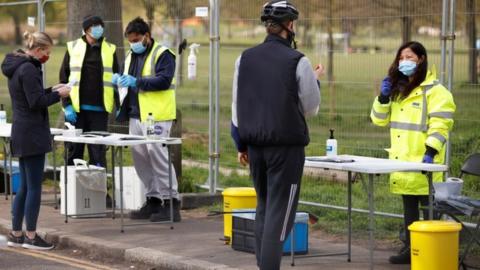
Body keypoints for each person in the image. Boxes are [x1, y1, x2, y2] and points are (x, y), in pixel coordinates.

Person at [231, 1, 322, 269]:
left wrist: (241, 144)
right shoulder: (299, 60)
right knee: (280, 216)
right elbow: (310, 108)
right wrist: (314, 81)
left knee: (264, 207)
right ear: (290, 26)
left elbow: (237, 107)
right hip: (286, 149)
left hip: (254, 146)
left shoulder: (244, 58)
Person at [370, 41, 456, 264]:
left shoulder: (436, 92)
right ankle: (411, 250)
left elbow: (440, 125)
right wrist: (383, 98)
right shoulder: (397, 90)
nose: (404, 62)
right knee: (409, 210)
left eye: (409, 57)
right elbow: (379, 121)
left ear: (421, 59)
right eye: (401, 58)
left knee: (429, 211)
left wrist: (430, 151)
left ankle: (430, 253)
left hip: (425, 164)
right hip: (402, 163)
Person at [1, 31, 71, 250]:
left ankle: (16, 232)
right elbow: (35, 102)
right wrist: (60, 95)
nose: (47, 56)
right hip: (32, 133)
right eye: (47, 52)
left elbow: (32, 95)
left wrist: (53, 88)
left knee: (24, 187)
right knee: (34, 188)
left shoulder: (17, 66)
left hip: (21, 131)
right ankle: (31, 235)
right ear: (38, 50)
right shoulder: (30, 69)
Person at [114, 17, 180, 222]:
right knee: (141, 159)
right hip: (136, 114)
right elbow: (126, 79)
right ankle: (153, 200)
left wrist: (137, 81)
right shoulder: (130, 55)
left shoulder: (163, 54)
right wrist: (119, 81)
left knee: (158, 157)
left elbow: (163, 80)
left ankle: (171, 203)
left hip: (156, 116)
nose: (133, 43)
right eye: (130, 40)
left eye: (136, 39)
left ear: (147, 36)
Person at [59, 15, 119, 167]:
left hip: (99, 111)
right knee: (73, 152)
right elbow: (63, 79)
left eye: (100, 26)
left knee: (97, 154)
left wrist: (119, 106)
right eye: (95, 26)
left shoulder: (110, 49)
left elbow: (116, 79)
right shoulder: (73, 47)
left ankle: (99, 190)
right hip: (76, 111)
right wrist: (66, 105)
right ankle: (72, 190)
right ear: (86, 30)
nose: (99, 29)